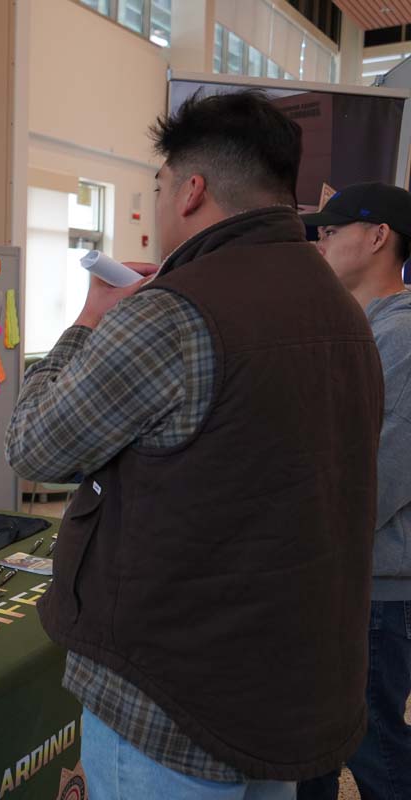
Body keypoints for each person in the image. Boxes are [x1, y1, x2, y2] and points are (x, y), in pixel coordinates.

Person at [4, 90, 383, 798]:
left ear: (192, 190)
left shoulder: (170, 314)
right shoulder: (342, 308)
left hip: (170, 699)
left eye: (158, 184)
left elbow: (35, 446)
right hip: (289, 686)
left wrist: (88, 323)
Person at [296, 182, 411, 800]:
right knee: (315, 741)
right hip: (338, 576)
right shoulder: (360, 329)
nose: (321, 241)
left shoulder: (401, 339)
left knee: (374, 750)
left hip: (375, 589)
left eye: (332, 230)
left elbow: (379, 477)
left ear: (376, 237)